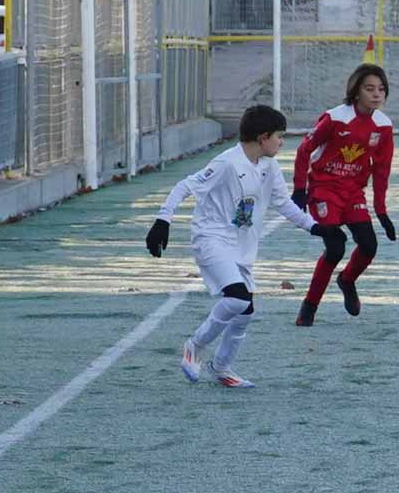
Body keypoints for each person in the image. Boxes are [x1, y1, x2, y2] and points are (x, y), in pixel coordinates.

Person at [146, 105, 345, 388]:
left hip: (241, 246)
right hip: (211, 238)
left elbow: (284, 204)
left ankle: (223, 367)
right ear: (263, 137)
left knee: (246, 311)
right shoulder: (227, 163)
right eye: (279, 135)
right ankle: (195, 346)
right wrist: (163, 220)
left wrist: (316, 228)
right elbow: (184, 186)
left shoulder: (269, 166)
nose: (281, 142)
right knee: (237, 299)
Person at [289, 64, 396, 326]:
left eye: (381, 89)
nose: (376, 94)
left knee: (369, 246)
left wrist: (381, 211)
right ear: (356, 91)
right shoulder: (335, 118)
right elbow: (304, 150)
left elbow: (382, 170)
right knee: (335, 246)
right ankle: (309, 307)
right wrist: (300, 190)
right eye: (369, 88)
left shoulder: (383, 126)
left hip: (353, 193)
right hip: (324, 189)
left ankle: (347, 280)